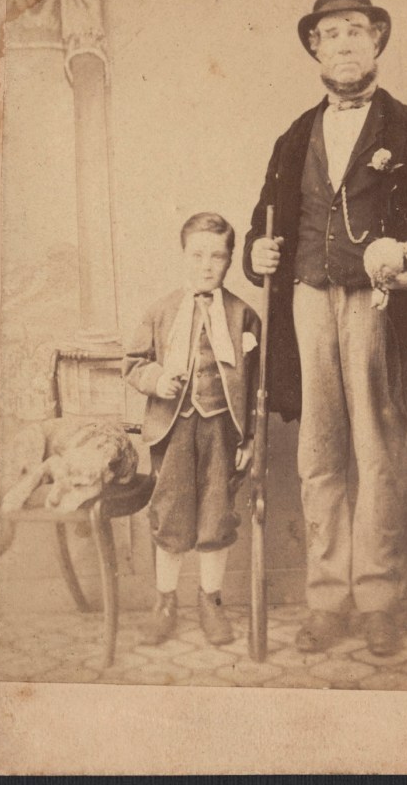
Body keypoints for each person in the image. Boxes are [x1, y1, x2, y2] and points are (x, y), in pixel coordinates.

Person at [243, 0, 407, 656]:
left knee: (377, 455)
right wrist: (254, 252)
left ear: (378, 42)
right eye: (331, 33)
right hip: (306, 304)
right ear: (315, 49)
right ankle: (328, 599)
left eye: (357, 30)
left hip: (382, 310)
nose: (344, 42)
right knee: (317, 455)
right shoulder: (294, 136)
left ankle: (378, 596)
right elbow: (265, 224)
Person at [123, 212, 260, 646]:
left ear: (230, 260)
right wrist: (158, 379)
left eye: (217, 256)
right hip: (174, 429)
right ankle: (165, 602)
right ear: (183, 255)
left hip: (223, 429)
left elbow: (257, 384)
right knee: (171, 515)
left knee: (216, 515)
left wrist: (251, 436)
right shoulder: (162, 311)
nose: (207, 265)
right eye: (198, 254)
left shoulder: (243, 316)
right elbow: (134, 364)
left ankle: (210, 601)